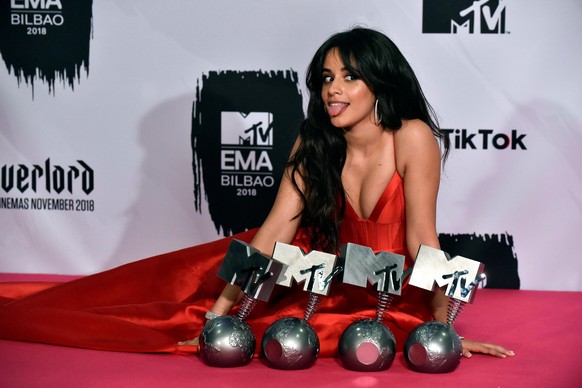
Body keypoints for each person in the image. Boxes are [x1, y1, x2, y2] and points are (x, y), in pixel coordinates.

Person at [0, 27, 513, 359]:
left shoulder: (413, 136)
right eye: (326, 77)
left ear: (380, 83)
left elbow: (424, 237)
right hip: (313, 277)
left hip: (386, 290)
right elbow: (273, 232)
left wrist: (443, 330)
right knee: (153, 301)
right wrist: (217, 315)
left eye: (349, 77)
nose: (332, 89)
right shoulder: (313, 140)